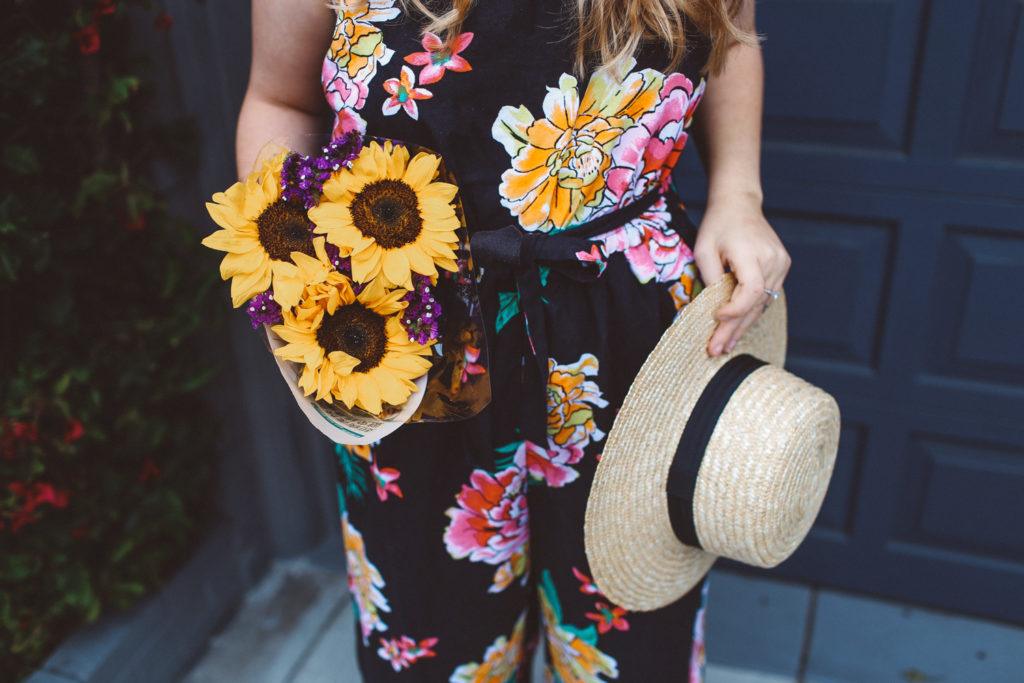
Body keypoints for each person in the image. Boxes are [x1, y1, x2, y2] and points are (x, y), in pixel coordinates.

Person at [236, 0, 791, 679]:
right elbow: (280, 98)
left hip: (633, 342)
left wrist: (740, 191)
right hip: (405, 337)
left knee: (634, 648)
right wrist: (294, 271)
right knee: (434, 643)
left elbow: (727, 35)